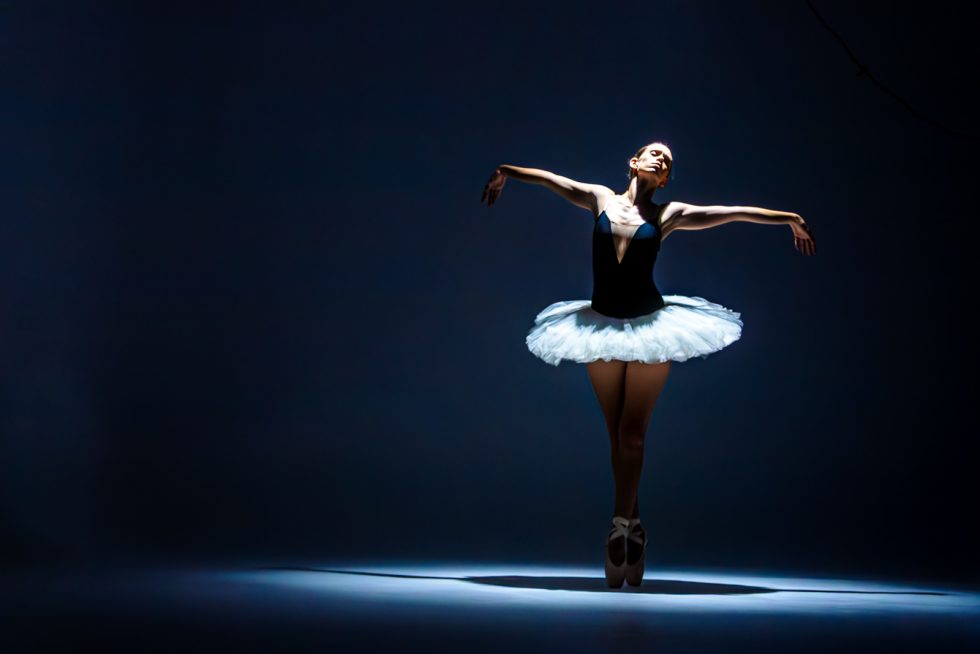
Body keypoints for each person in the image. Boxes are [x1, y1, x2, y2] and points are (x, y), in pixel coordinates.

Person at [480, 141, 816, 589]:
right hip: (597, 327)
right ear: (634, 162)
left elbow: (732, 212)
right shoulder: (599, 197)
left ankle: (619, 527)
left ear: (665, 178)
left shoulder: (669, 214)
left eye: (668, 161)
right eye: (652, 152)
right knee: (614, 433)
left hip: (649, 327)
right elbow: (551, 181)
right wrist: (505, 170)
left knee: (632, 433)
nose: (660, 158)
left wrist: (787, 219)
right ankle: (635, 528)